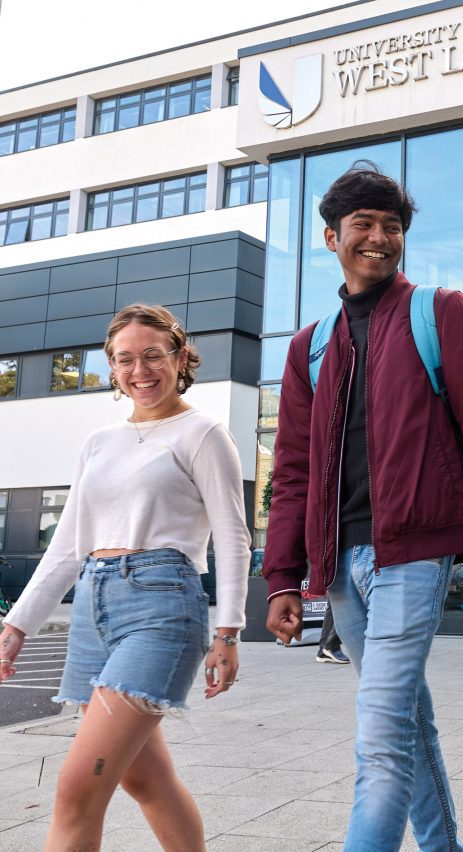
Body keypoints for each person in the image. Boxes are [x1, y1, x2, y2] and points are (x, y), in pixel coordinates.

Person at [262, 163, 463, 851]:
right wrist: (282, 577)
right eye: (365, 225)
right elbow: (291, 473)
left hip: (415, 550)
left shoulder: (439, 312)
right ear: (333, 237)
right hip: (341, 564)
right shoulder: (310, 348)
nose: (381, 239)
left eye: (393, 227)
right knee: (407, 721)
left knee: (380, 738)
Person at [0, 304, 250, 851]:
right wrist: (18, 624)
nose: (141, 370)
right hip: (93, 607)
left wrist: (228, 631)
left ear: (179, 357)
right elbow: (68, 545)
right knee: (145, 777)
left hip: (161, 606)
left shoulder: (203, 433)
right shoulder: (98, 443)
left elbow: (234, 536)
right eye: (125, 360)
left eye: (153, 355)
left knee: (75, 788)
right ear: (112, 369)